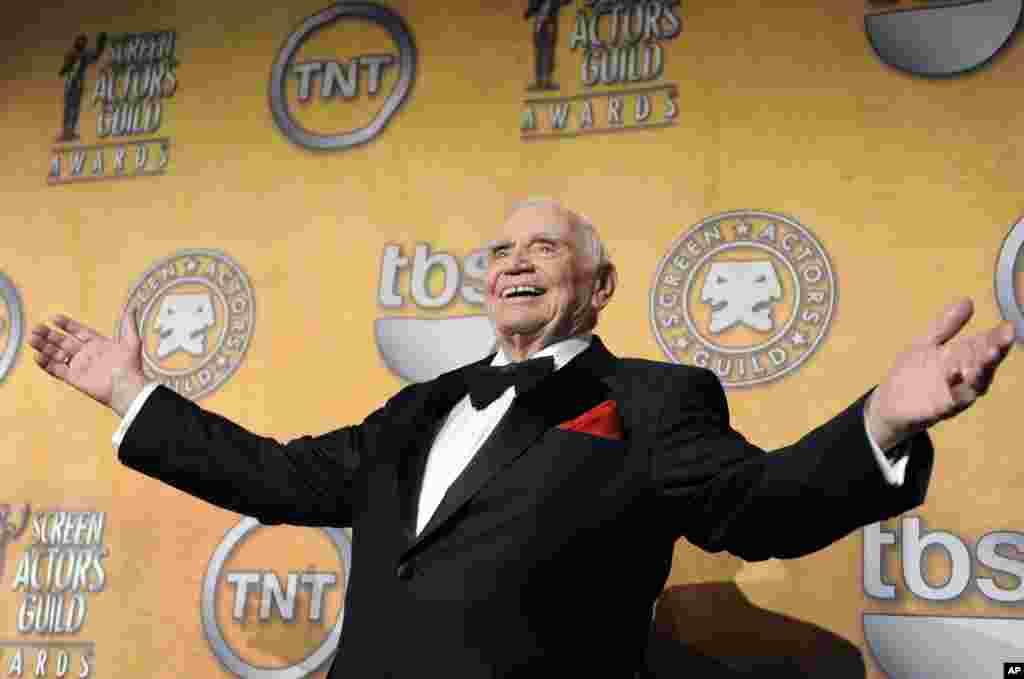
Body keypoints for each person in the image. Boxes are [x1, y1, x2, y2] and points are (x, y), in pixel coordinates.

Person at [28, 199, 1015, 677]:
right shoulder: (417, 406)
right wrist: (130, 390)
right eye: (499, 249)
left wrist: (881, 420)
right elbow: (280, 476)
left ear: (598, 284)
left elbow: (753, 509)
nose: (513, 262)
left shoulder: (653, 397)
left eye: (544, 247)